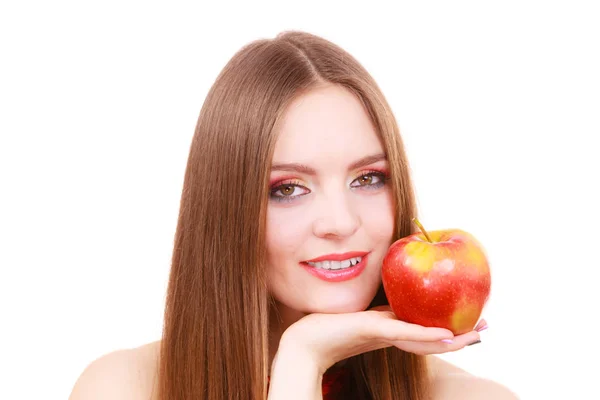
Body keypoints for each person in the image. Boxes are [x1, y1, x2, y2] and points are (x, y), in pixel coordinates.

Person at [69, 30, 518, 399]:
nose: (340, 222)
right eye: (288, 188)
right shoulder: (122, 388)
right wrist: (302, 358)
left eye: (367, 179)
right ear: (227, 213)